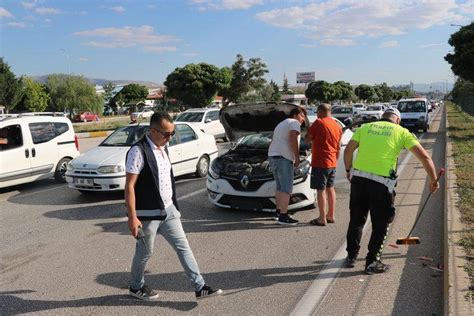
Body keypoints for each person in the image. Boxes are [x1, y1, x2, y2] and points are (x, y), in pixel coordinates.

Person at [125, 112, 222, 301]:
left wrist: (174, 206)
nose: (170, 138)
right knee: (145, 252)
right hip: (148, 214)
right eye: (166, 134)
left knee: (183, 247)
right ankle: (136, 286)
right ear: (153, 131)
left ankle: (200, 287)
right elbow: (129, 186)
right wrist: (132, 217)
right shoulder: (138, 151)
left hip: (169, 210)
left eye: (172, 134)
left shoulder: (163, 147)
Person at [343, 108, 439, 274]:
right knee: (380, 224)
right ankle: (372, 262)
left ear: (382, 117)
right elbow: (424, 157)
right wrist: (433, 180)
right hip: (381, 184)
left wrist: (348, 170)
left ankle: (351, 257)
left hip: (358, 181)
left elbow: (348, 150)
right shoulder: (402, 132)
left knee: (356, 219)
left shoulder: (366, 127)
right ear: (398, 120)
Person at [268, 106, 307, 225]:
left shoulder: (281, 124)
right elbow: (292, 139)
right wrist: (297, 158)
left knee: (280, 187)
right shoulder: (294, 123)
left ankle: (278, 212)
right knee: (286, 189)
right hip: (283, 158)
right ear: (295, 115)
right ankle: (284, 217)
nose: (303, 119)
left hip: (273, 156)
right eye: (302, 116)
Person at [305, 104, 343, 226]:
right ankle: (331, 215)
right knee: (330, 188)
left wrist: (307, 127)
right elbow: (338, 147)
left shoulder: (319, 122)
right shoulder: (337, 126)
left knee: (320, 190)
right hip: (332, 161)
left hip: (320, 161)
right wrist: (335, 161)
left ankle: (322, 218)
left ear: (320, 112)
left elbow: (307, 139)